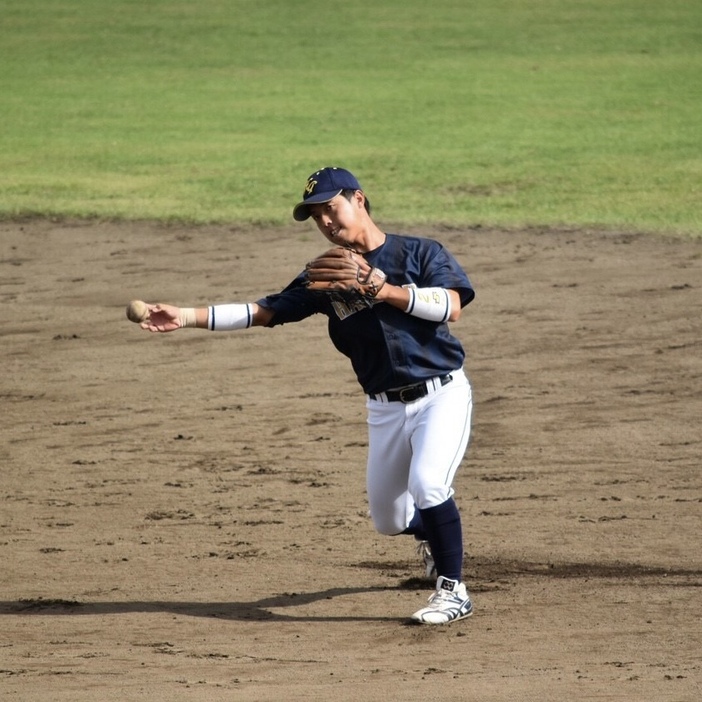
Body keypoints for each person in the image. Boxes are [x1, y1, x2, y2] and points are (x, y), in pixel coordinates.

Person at [139, 167, 476, 624]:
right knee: (389, 519)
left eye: (330, 209)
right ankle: (433, 537)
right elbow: (265, 311)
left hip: (442, 395)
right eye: (316, 216)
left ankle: (453, 592)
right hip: (384, 408)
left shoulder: (420, 253)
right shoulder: (325, 277)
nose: (326, 222)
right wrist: (185, 315)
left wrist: (384, 289)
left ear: (359, 199)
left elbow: (451, 307)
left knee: (429, 482)